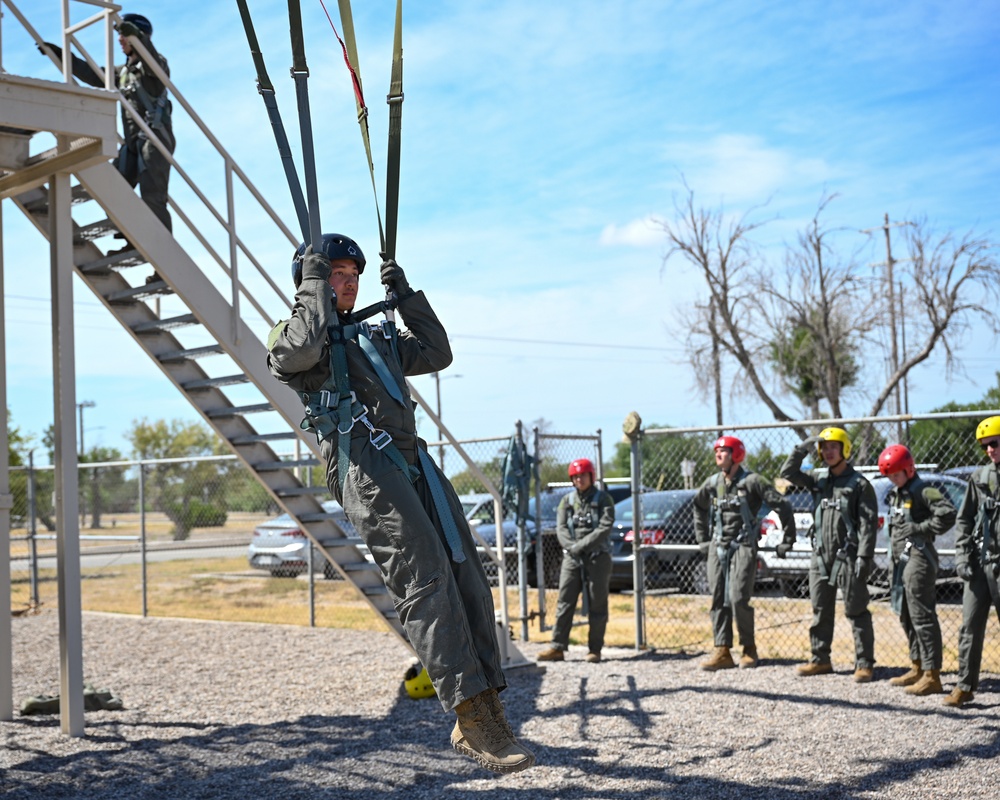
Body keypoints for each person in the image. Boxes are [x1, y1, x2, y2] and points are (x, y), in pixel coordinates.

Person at [266, 235, 534, 773]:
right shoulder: (299, 337)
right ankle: (470, 715)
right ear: (311, 281)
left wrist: (406, 295)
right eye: (333, 273)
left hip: (412, 461)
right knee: (425, 576)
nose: (346, 282)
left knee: (464, 570)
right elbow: (296, 352)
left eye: (351, 274)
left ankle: (488, 706)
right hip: (365, 466)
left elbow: (437, 352)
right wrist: (312, 287)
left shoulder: (371, 337)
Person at [40, 13, 175, 242]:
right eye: (120, 35)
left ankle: (164, 253)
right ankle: (132, 236)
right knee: (114, 187)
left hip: (154, 140)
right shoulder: (122, 73)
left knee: (153, 196)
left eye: (124, 35)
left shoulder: (154, 64)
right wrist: (61, 55)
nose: (120, 40)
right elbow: (94, 74)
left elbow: (149, 55)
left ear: (139, 37)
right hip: (134, 143)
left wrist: (137, 36)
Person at [780, 427, 879, 682]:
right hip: (820, 558)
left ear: (844, 449)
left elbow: (868, 524)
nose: (828, 451)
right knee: (820, 609)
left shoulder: (859, 484)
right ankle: (820, 659)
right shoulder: (817, 479)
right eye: (824, 448)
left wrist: (864, 558)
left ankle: (864, 663)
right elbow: (787, 473)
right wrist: (803, 447)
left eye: (834, 446)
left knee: (856, 610)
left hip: (848, 557)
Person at [693, 435, 796, 670]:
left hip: (743, 547)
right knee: (718, 598)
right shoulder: (712, 483)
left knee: (739, 597)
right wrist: (703, 540)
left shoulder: (753, 482)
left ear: (736, 454)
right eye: (716, 451)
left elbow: (783, 505)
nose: (718, 455)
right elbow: (698, 506)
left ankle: (749, 648)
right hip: (718, 548)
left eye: (724, 451)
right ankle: (722, 651)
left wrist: (788, 539)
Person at [878, 444, 956, 696]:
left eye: (896, 475)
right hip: (900, 559)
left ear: (909, 469)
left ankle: (933, 674)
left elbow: (947, 514)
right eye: (889, 476)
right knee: (905, 612)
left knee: (922, 616)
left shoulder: (923, 490)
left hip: (919, 558)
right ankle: (918, 665)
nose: (893, 479)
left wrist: (922, 529)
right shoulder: (899, 492)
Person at [944, 415, 1000, 708]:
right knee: (969, 626)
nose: (990, 450)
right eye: (985, 446)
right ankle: (965, 686)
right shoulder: (979, 478)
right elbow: (964, 519)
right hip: (981, 562)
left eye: (994, 443)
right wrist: (963, 557)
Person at [537, 458, 615, 664]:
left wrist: (581, 546)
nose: (579, 479)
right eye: (576, 476)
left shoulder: (604, 499)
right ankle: (557, 647)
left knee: (598, 603)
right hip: (572, 558)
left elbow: (604, 527)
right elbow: (561, 528)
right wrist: (571, 547)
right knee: (565, 601)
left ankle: (595, 649)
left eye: (583, 475)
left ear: (592, 476)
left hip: (598, 558)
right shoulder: (567, 501)